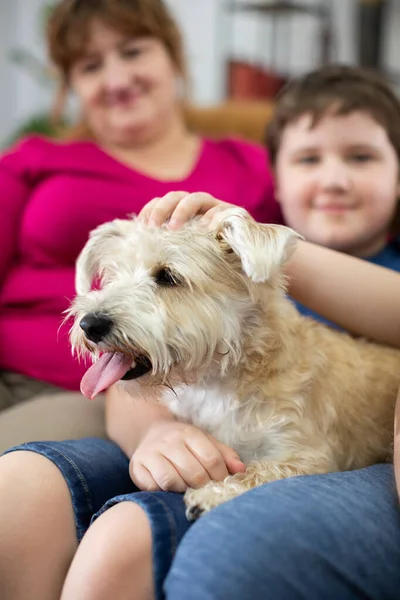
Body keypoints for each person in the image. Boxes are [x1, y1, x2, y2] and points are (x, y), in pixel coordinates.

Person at [2, 64, 400, 600]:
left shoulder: (243, 256)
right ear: (274, 180)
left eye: (361, 156)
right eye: (308, 158)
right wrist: (153, 430)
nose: (333, 178)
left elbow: (304, 458)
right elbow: (130, 393)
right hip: (179, 435)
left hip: (301, 456)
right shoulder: (218, 244)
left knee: (129, 546)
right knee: (19, 492)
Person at [0, 0, 279, 415]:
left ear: (173, 56)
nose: (116, 79)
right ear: (71, 85)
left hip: (114, 398)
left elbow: (329, 246)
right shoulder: (33, 160)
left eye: (133, 52)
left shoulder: (250, 166)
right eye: (91, 66)